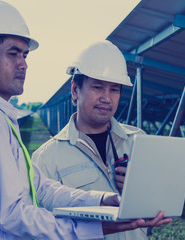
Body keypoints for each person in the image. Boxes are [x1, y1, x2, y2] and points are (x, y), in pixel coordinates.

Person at [0, 1, 172, 239]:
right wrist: (98, 227)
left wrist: (105, 199)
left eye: (25, 55)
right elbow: (13, 214)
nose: (23, 64)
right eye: (13, 54)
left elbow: (43, 189)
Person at [32, 40, 154, 239]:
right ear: (75, 90)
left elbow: (157, 207)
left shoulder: (139, 141)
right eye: (98, 87)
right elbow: (41, 227)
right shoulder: (46, 158)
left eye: (114, 89)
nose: (106, 97)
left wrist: (141, 191)